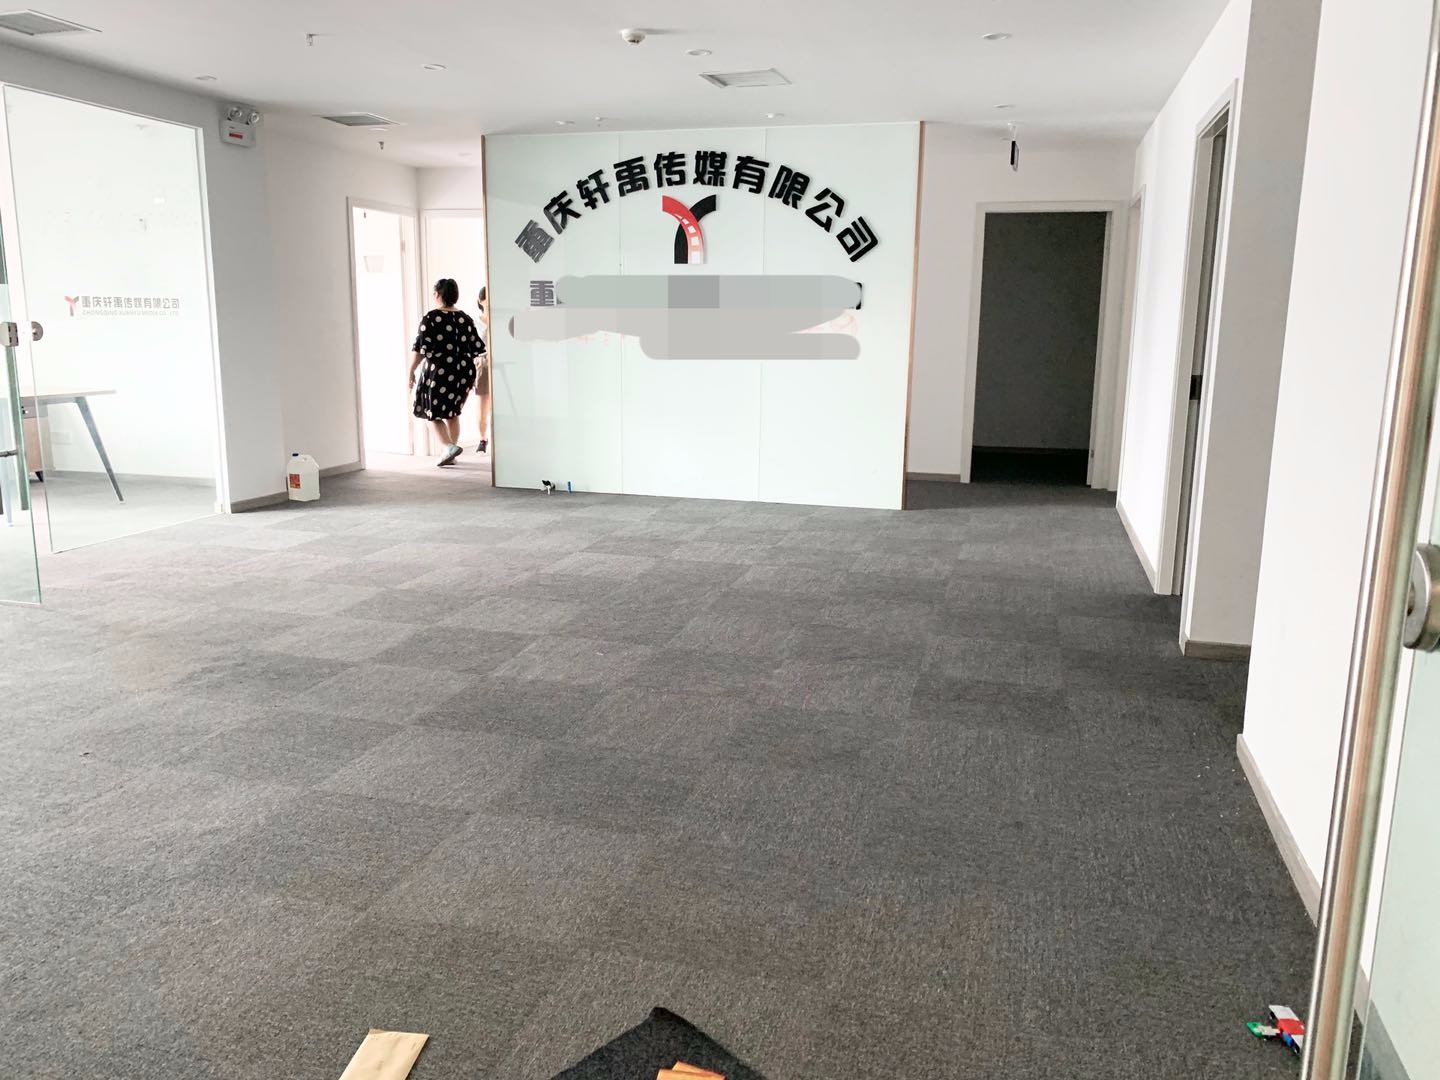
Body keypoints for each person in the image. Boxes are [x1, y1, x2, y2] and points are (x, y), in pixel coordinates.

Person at [408, 278, 483, 466]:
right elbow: (476, 348)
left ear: (437, 294)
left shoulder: (431, 318)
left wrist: (411, 371)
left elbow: (420, 349)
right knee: (452, 412)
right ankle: (450, 453)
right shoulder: (465, 319)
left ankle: (448, 447)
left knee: (430, 412)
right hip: (464, 371)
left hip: (439, 370)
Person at [474, 285, 491, 454]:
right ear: (480, 301)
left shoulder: (500, 320)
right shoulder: (475, 322)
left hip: (501, 362)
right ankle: (483, 438)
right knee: (483, 406)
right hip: (483, 364)